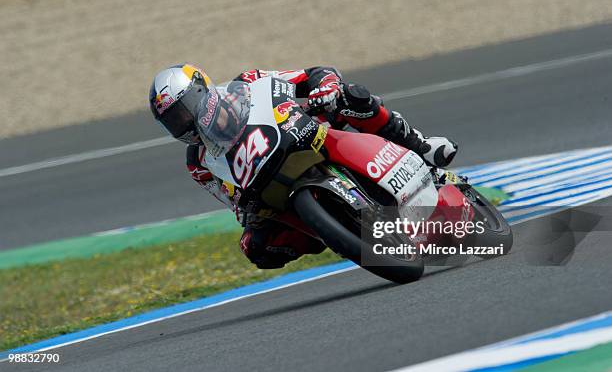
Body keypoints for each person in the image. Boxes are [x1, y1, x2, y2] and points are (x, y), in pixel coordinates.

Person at [149, 64, 457, 269]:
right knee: (255, 248)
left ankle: (420, 146)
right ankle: (335, 231)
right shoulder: (198, 161)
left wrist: (326, 87)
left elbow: (312, 73)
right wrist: (245, 212)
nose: (184, 123)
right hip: (267, 181)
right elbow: (229, 195)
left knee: (354, 97)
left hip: (308, 128)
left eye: (184, 111)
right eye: (173, 122)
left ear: (202, 90)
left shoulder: (247, 82)